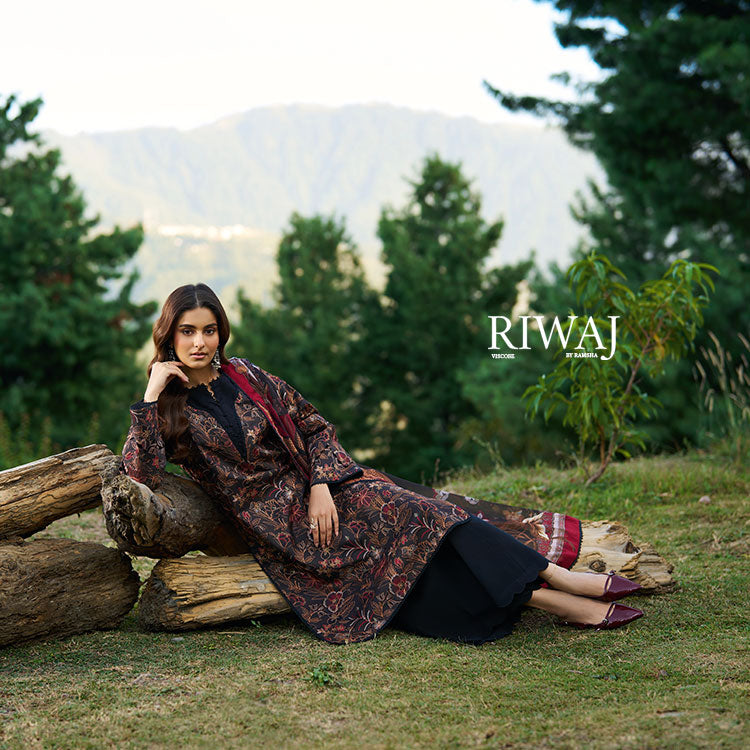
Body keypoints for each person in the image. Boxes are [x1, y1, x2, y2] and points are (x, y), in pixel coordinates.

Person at [121, 283, 644, 645]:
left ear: (221, 332)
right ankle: (555, 601)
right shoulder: (167, 409)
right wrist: (149, 397)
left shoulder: (248, 376)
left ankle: (560, 580)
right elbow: (139, 476)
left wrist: (321, 484)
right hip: (278, 528)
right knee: (405, 569)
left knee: (430, 516)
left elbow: (313, 425)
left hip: (323, 490)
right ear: (169, 335)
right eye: (187, 331)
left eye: (208, 330)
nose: (199, 342)